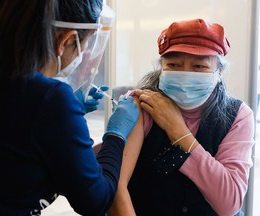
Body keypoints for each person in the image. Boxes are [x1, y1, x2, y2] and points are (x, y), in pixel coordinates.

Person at [0, 0, 140, 216]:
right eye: (85, 44)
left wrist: (65, 120)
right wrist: (116, 135)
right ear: (66, 40)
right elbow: (96, 200)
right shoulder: (50, 99)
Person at [107, 18, 254, 216]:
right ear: (161, 68)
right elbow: (117, 188)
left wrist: (178, 131)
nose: (185, 75)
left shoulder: (237, 115)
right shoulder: (140, 105)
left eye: (199, 67)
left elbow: (229, 203)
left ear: (220, 72)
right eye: (174, 64)